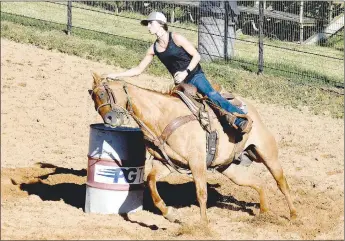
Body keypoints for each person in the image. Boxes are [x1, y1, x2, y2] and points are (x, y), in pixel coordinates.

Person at [104, 12, 251, 134]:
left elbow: (197, 56)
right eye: (147, 24)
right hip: (181, 83)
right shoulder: (153, 48)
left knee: (211, 95)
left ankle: (239, 117)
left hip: (195, 76)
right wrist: (117, 75)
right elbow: (138, 69)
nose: (148, 26)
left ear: (161, 23)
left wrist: (185, 72)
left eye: (151, 23)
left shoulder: (176, 38)